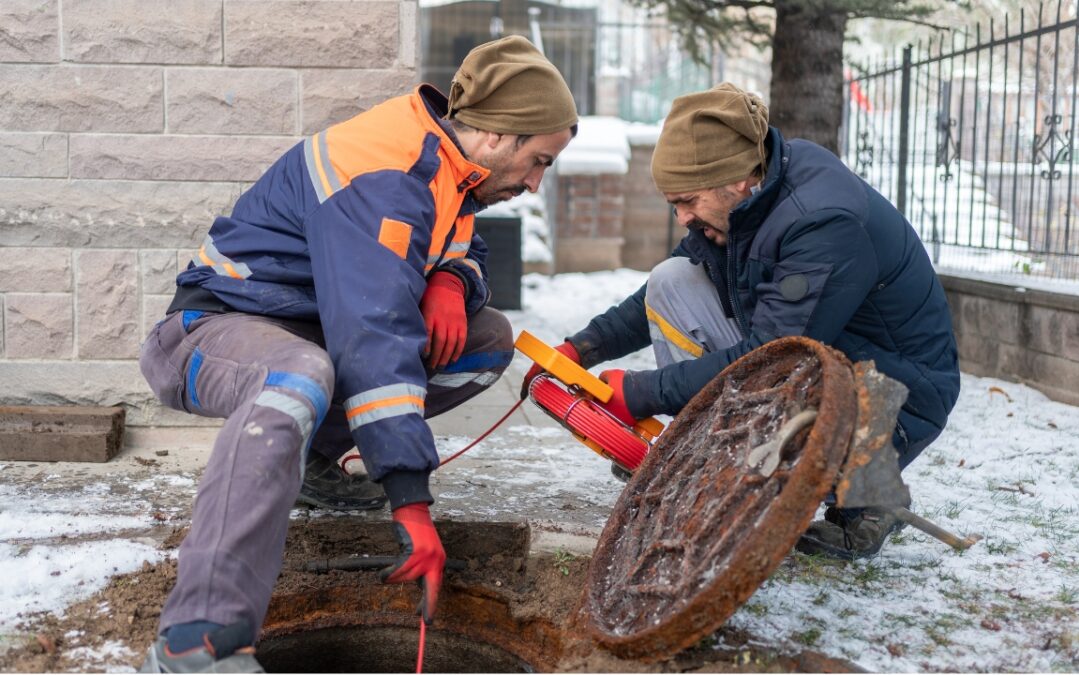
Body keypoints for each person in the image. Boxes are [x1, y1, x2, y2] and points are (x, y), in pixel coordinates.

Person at [139, 35, 577, 672]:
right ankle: (197, 639)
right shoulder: (384, 173)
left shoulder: (453, 170)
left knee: (484, 342)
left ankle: (318, 468)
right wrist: (410, 498)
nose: (536, 184)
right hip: (208, 333)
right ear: (496, 136)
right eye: (538, 161)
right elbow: (372, 336)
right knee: (299, 374)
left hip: (310, 329)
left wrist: (453, 280)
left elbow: (455, 248)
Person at [523, 83, 960, 561]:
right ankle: (716, 460)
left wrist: (641, 392)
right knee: (671, 280)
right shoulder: (749, 201)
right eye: (674, 203)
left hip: (891, 399)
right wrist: (584, 347)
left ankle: (871, 496)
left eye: (687, 200)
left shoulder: (822, 222)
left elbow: (772, 355)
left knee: (777, 385)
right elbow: (663, 294)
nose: (681, 216)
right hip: (826, 359)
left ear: (736, 180)